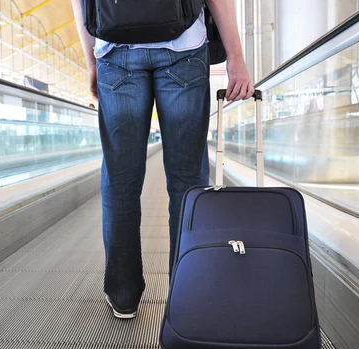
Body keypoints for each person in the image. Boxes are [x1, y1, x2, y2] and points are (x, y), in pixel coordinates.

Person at [71, 0, 254, 319]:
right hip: (183, 49)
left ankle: (123, 294)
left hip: (115, 52)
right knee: (186, 182)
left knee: (120, 180)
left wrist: (91, 61)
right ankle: (186, 290)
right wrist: (235, 57)